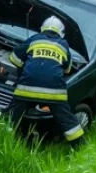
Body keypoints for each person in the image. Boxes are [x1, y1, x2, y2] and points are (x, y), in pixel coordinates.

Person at [7, 16, 84, 145]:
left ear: (42, 28)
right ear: (60, 32)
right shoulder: (64, 45)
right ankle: (79, 145)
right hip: (54, 93)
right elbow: (67, 70)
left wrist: (24, 67)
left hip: (26, 89)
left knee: (13, 116)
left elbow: (13, 57)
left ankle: (5, 137)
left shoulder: (34, 39)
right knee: (68, 120)